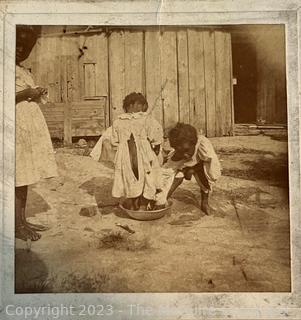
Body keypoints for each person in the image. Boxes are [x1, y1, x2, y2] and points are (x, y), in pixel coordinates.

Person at [15, 25, 58, 241]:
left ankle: (21, 220)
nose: (20, 50)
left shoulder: (23, 70)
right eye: (16, 45)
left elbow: (28, 95)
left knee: (24, 176)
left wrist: (37, 92)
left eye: (25, 47)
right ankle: (15, 224)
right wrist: (26, 93)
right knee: (17, 177)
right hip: (14, 127)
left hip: (27, 128)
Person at [110, 92, 163, 210]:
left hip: (125, 157)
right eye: (142, 105)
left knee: (130, 179)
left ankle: (134, 203)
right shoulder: (146, 119)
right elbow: (157, 135)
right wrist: (156, 148)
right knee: (148, 179)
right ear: (133, 105)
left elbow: (114, 142)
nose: (144, 109)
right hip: (144, 154)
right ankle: (143, 205)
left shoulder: (118, 122)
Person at [156, 123, 221, 214]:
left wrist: (193, 169)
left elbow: (211, 165)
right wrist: (160, 193)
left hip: (200, 162)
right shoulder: (180, 152)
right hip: (186, 163)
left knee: (204, 182)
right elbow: (167, 170)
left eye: (186, 150)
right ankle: (163, 199)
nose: (185, 155)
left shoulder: (204, 147)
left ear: (194, 143)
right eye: (179, 151)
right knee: (174, 177)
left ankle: (205, 203)